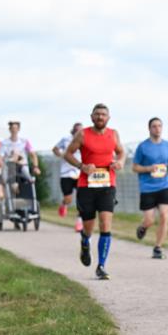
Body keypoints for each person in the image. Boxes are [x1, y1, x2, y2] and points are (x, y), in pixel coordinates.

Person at [64, 104, 126, 281]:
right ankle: (85, 242)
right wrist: (82, 166)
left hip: (107, 185)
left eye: (104, 114)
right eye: (97, 114)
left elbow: (121, 152)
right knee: (89, 226)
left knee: (106, 224)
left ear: (108, 118)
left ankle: (101, 266)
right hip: (86, 186)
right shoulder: (83, 134)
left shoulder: (113, 134)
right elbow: (68, 154)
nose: (100, 117)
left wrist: (120, 162)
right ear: (91, 117)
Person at [133, 117, 168, 259]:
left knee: (164, 215)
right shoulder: (142, 147)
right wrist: (148, 168)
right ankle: (143, 227)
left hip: (164, 185)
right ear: (149, 128)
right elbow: (134, 167)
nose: (157, 128)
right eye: (154, 126)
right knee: (150, 220)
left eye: (159, 126)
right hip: (147, 187)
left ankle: (158, 248)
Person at [53, 122, 84, 232]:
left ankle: (79, 222)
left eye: (82, 130)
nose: (80, 132)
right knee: (68, 198)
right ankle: (64, 204)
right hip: (66, 173)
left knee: (82, 199)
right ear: (73, 130)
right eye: (78, 130)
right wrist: (60, 154)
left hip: (80, 173)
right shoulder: (66, 139)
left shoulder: (84, 140)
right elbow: (55, 149)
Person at [0, 120, 39, 194]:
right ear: (10, 130)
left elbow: (33, 154)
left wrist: (35, 167)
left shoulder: (24, 141)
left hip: (22, 166)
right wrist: (2, 166)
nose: (14, 130)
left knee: (28, 179)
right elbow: (0, 157)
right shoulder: (4, 143)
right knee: (5, 181)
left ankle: (29, 182)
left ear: (18, 129)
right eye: (12, 128)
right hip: (9, 167)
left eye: (15, 128)